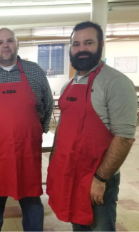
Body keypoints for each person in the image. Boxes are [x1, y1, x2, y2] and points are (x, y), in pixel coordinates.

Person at [46, 21, 138, 232]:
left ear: (101, 44)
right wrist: (54, 164)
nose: (82, 49)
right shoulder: (69, 84)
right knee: (78, 226)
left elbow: (124, 137)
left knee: (100, 227)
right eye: (76, 44)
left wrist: (100, 179)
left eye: (88, 42)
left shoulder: (116, 82)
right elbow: (63, 126)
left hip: (96, 179)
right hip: (71, 173)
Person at [0, 28, 53, 232]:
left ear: (17, 44)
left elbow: (48, 105)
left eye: (10, 41)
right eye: (0, 42)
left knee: (32, 205)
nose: (5, 45)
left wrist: (39, 131)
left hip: (27, 153)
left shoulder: (35, 71)